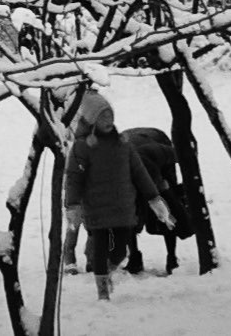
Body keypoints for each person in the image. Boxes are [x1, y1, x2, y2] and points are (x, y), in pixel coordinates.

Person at [63, 86, 147, 300]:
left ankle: (106, 271)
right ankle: (99, 287)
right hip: (94, 203)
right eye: (103, 116)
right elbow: (74, 176)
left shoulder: (122, 143)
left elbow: (138, 171)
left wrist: (154, 197)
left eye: (110, 115)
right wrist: (72, 204)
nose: (108, 119)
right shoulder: (82, 143)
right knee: (95, 244)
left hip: (120, 205)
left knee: (119, 250)